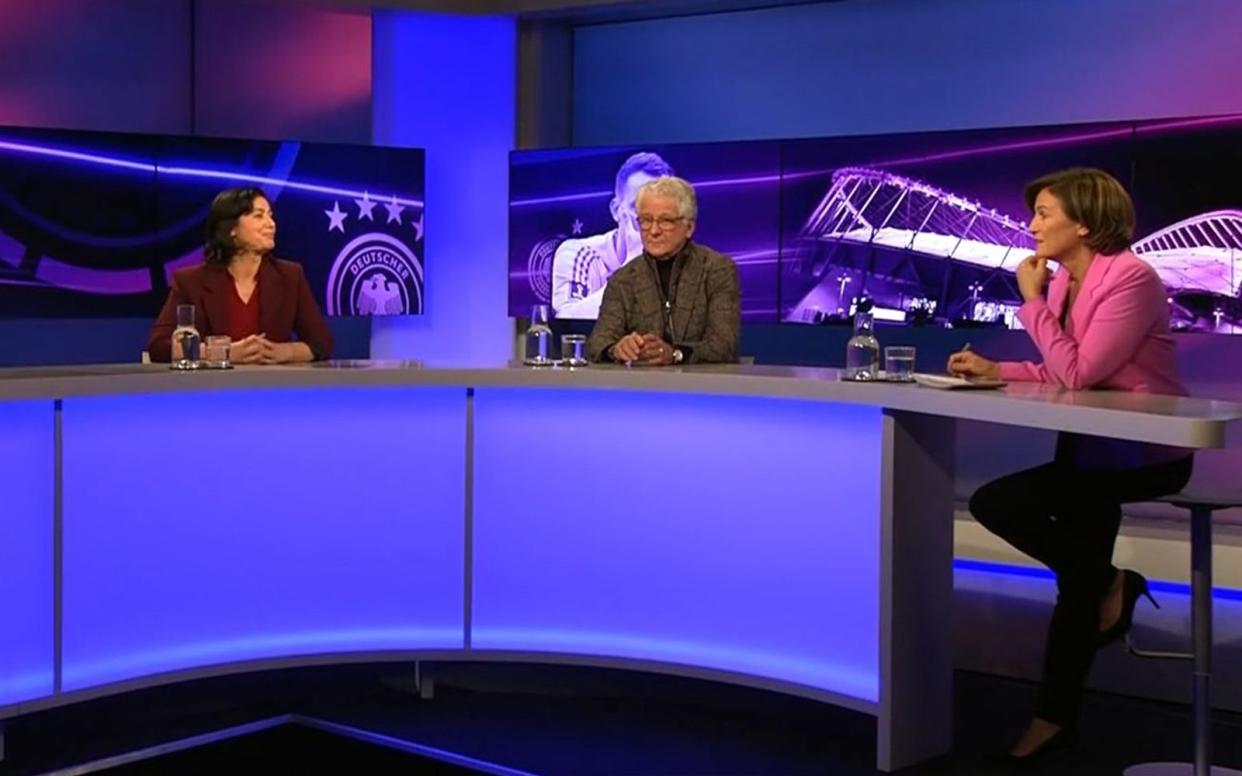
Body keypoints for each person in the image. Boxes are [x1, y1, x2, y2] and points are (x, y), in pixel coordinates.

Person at [947, 168, 1193, 763]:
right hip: (1090, 446)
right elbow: (1067, 367)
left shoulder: (1131, 277)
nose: (1031, 225)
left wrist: (1029, 302)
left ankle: (1113, 582)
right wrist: (995, 369)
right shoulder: (1065, 282)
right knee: (1076, 581)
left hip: (1146, 451)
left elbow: (1081, 372)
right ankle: (1054, 719)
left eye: (1045, 214)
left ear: (1084, 222)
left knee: (997, 503)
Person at [147, 187, 333, 364]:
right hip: (211, 391)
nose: (271, 224)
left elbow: (322, 343)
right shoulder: (190, 282)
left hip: (272, 389)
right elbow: (159, 347)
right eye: (258, 216)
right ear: (231, 229)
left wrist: (284, 352)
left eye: (270, 216)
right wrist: (224, 352)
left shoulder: (290, 276)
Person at [587, 176, 740, 365]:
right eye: (646, 220)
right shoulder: (623, 279)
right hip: (643, 390)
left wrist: (675, 354)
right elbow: (597, 343)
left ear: (689, 227)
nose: (653, 231)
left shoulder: (717, 270)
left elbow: (724, 344)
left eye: (665, 221)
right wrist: (617, 349)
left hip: (701, 388)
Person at [551, 151, 674, 319]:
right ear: (617, 210)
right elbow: (566, 321)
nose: (652, 227)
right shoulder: (577, 254)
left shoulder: (682, 264)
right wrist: (632, 268)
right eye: (638, 207)